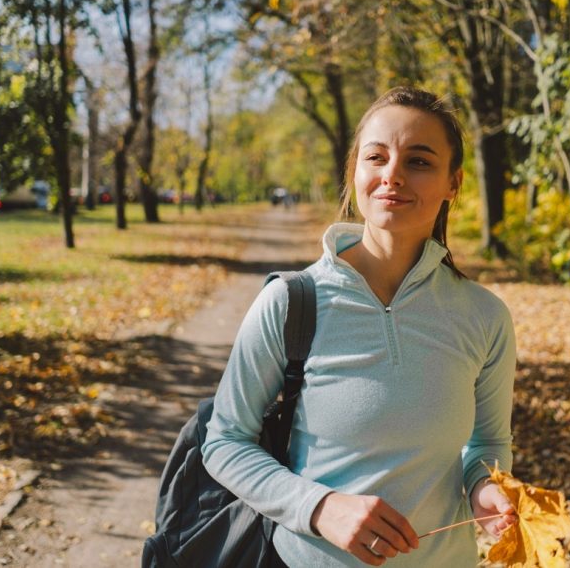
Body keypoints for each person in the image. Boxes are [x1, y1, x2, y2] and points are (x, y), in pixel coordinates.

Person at [202, 86, 518, 567]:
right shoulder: (289, 303)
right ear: (355, 172)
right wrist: (320, 508)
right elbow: (224, 441)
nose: (392, 175)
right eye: (376, 157)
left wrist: (485, 490)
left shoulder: (484, 316)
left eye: (418, 161)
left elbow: (487, 445)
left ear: (453, 184)